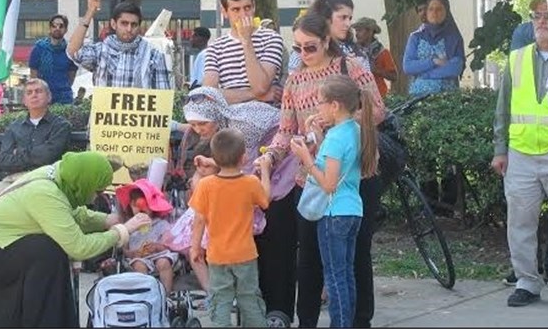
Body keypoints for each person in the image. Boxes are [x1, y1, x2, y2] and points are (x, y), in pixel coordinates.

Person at [262, 13, 385, 327]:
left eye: (310, 47)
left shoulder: (352, 67)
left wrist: (337, 122)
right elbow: (286, 129)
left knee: (356, 253)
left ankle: (359, 320)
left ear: (327, 41)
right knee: (310, 258)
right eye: (298, 48)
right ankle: (307, 321)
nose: (303, 55)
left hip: (355, 176)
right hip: (312, 178)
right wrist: (271, 156)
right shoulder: (295, 79)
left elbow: (378, 111)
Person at [0, 151, 151, 327]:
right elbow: (79, 247)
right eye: (97, 190)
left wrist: (108, 220)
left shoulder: (57, 174)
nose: (97, 197)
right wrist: (122, 230)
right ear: (84, 181)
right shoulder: (45, 192)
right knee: (47, 251)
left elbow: (70, 212)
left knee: (48, 251)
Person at [491, 0, 548, 308]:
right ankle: (527, 281)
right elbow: (503, 108)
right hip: (520, 152)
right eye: (536, 16)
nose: (539, 22)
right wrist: (500, 150)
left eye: (547, 17)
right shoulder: (517, 58)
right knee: (520, 222)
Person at [290, 74, 377, 327]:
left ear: (335, 105)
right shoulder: (354, 130)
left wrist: (306, 159)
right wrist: (315, 135)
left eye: (320, 103)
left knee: (335, 277)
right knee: (345, 274)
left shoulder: (336, 137)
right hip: (352, 210)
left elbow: (327, 183)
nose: (318, 108)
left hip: (333, 213)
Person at [190, 128, 272, 327]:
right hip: (245, 254)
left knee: (220, 299)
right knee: (249, 298)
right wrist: (266, 171)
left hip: (217, 255)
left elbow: (199, 220)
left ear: (215, 158)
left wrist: (195, 247)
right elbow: (266, 200)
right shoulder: (250, 182)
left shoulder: (206, 185)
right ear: (244, 157)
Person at [0, 78, 71, 213]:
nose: (34, 95)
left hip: (45, 179)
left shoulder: (60, 126)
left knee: (32, 200)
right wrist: (34, 153)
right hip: (13, 181)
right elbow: (5, 162)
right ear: (24, 100)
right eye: (29, 93)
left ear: (49, 97)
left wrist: (19, 153)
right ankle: (12, 232)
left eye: (38, 91)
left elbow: (47, 157)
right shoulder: (14, 127)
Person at [68, 0, 171, 89]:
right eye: (124, 23)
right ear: (113, 24)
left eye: (134, 24)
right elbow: (73, 51)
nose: (129, 29)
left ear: (139, 26)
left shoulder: (153, 55)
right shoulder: (100, 50)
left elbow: (163, 97)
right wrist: (90, 12)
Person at [203, 0, 284, 104]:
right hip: (230, 119)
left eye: (247, 8)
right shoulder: (215, 48)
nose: (243, 15)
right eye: (236, 10)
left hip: (265, 118)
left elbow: (260, 86)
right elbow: (209, 95)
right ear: (224, 12)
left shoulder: (271, 39)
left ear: (254, 7)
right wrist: (253, 94)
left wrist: (246, 41)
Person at [117, 179, 177, 292]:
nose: (140, 208)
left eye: (144, 205)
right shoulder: (130, 226)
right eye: (135, 205)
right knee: (139, 266)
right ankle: (146, 294)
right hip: (138, 257)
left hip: (160, 254)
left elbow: (168, 244)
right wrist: (131, 253)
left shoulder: (161, 224)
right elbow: (124, 249)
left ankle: (166, 294)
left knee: (163, 263)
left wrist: (158, 246)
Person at [289, 0, 370, 72]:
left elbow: (368, 81)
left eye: (350, 18)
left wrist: (357, 69)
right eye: (343, 17)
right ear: (326, 17)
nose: (348, 24)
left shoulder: (357, 53)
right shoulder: (303, 50)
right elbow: (293, 81)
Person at [402, 0, 465, 97]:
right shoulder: (415, 37)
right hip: (418, 99)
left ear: (446, 12)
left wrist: (425, 74)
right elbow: (408, 66)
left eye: (439, 9)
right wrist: (433, 62)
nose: (434, 13)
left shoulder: (454, 38)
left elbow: (455, 68)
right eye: (431, 9)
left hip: (448, 99)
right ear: (426, 13)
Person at [29, 14, 78, 104]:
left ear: (66, 30)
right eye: (54, 26)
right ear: (50, 28)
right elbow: (33, 75)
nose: (57, 28)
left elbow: (72, 75)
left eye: (61, 26)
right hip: (42, 97)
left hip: (64, 98)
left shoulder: (70, 49)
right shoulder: (39, 48)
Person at [352, 17, 398, 97]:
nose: (356, 34)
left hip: (379, 95)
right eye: (356, 30)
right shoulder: (353, 52)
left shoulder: (382, 53)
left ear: (370, 31)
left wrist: (376, 70)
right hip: (358, 97)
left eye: (360, 30)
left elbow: (394, 76)